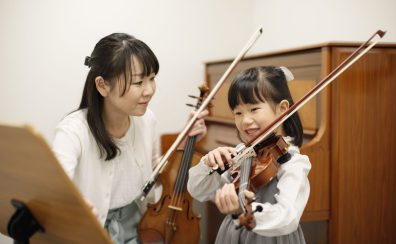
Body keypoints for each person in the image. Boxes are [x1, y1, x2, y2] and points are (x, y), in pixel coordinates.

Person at [52, 33, 207, 244]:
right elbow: (56, 188)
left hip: (140, 223)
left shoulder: (146, 120)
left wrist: (182, 143)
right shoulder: (72, 131)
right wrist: (71, 205)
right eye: (138, 82)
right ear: (103, 85)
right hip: (93, 229)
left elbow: (155, 172)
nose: (150, 90)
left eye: (152, 78)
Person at [187, 66, 311, 244]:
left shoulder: (292, 163)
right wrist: (208, 164)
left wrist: (245, 212)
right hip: (232, 236)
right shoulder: (241, 153)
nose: (245, 120)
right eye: (238, 112)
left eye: (254, 109)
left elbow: (287, 216)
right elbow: (198, 191)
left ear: (282, 109)